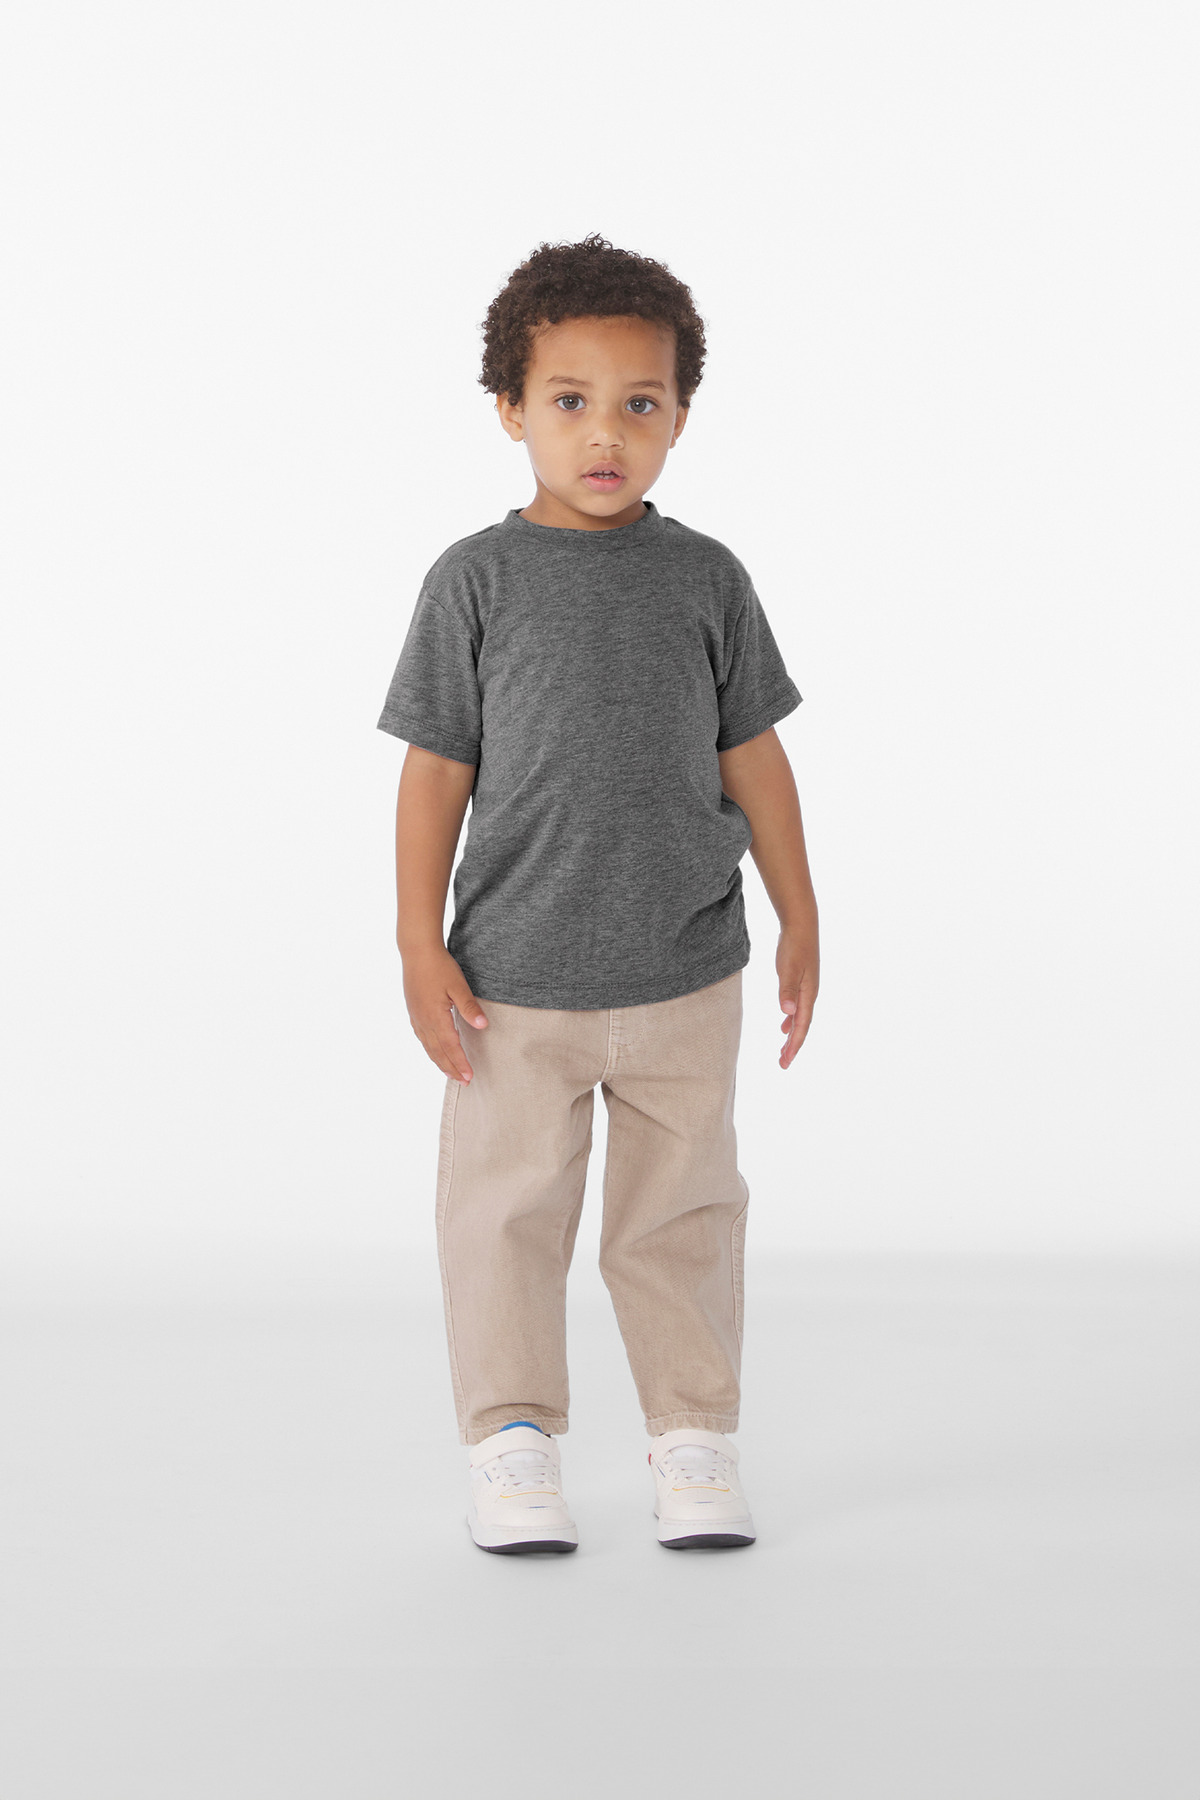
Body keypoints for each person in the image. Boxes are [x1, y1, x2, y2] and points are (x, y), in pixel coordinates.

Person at [376, 233, 819, 1555]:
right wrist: (416, 942)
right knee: (504, 1218)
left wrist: (802, 911)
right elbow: (435, 771)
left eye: (641, 402)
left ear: (681, 416)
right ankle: (511, 1439)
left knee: (681, 1215)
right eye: (570, 400)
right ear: (510, 409)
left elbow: (756, 756)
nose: (606, 432)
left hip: (686, 971)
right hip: (511, 985)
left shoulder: (707, 579)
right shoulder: (474, 581)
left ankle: (694, 1434)